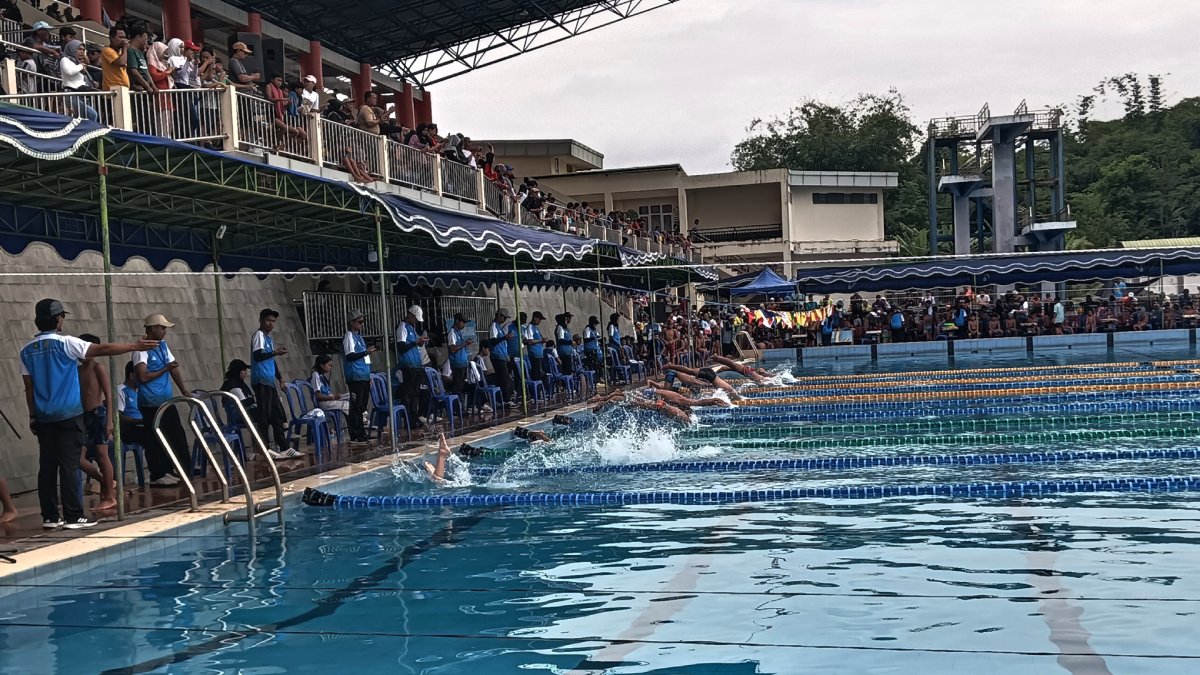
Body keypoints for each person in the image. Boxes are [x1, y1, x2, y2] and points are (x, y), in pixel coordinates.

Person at [22, 299, 155, 529]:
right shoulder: (66, 344)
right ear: (57, 319)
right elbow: (102, 349)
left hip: (44, 417)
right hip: (69, 415)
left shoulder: (26, 352)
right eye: (61, 316)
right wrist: (134, 347)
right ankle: (74, 516)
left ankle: (50, 517)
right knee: (70, 464)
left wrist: (32, 415)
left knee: (47, 466)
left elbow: (29, 387)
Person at [133, 312, 191, 487]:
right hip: (150, 402)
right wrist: (164, 369)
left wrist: (184, 390)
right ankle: (158, 473)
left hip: (166, 400)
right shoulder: (141, 349)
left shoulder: (163, 346)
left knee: (176, 435)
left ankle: (179, 468)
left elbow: (173, 368)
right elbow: (142, 376)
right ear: (152, 329)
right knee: (154, 438)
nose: (164, 331)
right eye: (162, 328)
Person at [251, 308, 299, 459]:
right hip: (261, 380)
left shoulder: (268, 339)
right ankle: (264, 448)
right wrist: (274, 353)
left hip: (270, 381)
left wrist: (280, 377)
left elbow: (271, 360)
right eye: (268, 321)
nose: (271, 324)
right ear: (261, 320)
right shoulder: (258, 335)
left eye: (273, 321)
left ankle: (284, 447)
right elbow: (258, 356)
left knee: (277, 415)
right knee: (264, 415)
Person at [77, 334, 117, 511]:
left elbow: (108, 395)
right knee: (78, 459)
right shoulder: (77, 370)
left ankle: (109, 496)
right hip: (83, 416)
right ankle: (104, 481)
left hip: (98, 414)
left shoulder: (97, 368)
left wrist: (109, 420)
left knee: (102, 455)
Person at [342, 310, 375, 443]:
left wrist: (369, 375)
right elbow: (349, 355)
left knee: (362, 406)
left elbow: (365, 358)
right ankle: (355, 434)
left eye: (362, 322)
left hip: (363, 376)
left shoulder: (359, 338)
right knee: (356, 406)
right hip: (355, 376)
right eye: (359, 322)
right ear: (352, 323)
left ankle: (361, 432)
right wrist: (365, 352)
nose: (362, 324)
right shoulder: (348, 336)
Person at [395, 305, 429, 429]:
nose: (416, 322)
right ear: (410, 315)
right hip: (408, 366)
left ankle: (414, 418)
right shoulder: (402, 327)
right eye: (415, 319)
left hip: (416, 365)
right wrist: (415, 342)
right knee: (408, 394)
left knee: (416, 393)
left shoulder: (412, 327)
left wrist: (419, 342)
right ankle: (408, 419)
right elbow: (402, 347)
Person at [60, 40, 99, 122]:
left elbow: (79, 79)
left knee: (82, 119)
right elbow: (69, 71)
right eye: (79, 49)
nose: (82, 52)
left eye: (83, 50)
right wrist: (81, 66)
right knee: (92, 114)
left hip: (81, 94)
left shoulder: (76, 62)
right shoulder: (65, 59)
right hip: (72, 93)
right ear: (72, 48)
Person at [487, 308, 516, 408]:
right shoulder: (493, 326)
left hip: (502, 356)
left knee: (505, 378)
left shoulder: (499, 328)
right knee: (504, 378)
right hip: (497, 357)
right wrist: (505, 337)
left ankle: (504, 398)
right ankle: (506, 400)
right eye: (504, 317)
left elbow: (503, 344)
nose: (504, 320)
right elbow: (493, 341)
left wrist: (506, 355)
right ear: (499, 315)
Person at [446, 313, 472, 405]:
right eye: (462, 322)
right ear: (457, 321)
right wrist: (464, 343)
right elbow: (452, 349)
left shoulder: (459, 332)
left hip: (462, 364)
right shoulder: (452, 333)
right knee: (457, 388)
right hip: (457, 365)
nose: (464, 325)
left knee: (461, 387)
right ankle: (456, 408)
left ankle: (462, 407)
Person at [522, 311, 548, 382]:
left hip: (539, 354)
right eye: (539, 319)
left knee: (541, 373)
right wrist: (541, 340)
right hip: (534, 354)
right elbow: (530, 341)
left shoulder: (535, 328)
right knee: (536, 374)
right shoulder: (530, 327)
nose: (540, 321)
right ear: (535, 318)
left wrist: (543, 340)